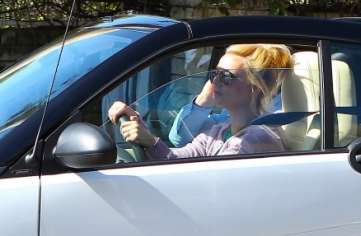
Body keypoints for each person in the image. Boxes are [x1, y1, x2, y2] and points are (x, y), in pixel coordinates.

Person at [107, 44, 293, 160]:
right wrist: (141, 130)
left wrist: (148, 140)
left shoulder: (256, 138)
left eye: (226, 76)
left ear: (254, 86)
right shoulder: (221, 131)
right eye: (215, 73)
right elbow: (175, 158)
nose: (215, 81)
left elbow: (213, 181)